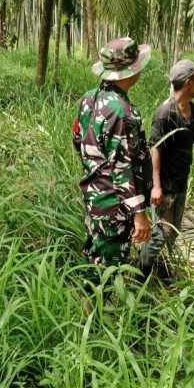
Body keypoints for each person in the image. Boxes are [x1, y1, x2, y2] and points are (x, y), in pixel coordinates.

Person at [73, 37, 153, 290]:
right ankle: (93, 320)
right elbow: (123, 167)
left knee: (95, 253)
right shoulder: (124, 112)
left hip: (95, 193)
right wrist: (139, 214)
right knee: (108, 266)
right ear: (133, 70)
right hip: (114, 203)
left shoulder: (89, 98)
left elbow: (78, 139)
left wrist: (95, 169)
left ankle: (86, 310)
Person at [139, 59, 194, 281]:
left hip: (181, 181)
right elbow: (155, 149)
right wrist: (157, 187)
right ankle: (140, 272)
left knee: (173, 231)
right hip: (165, 185)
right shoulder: (164, 113)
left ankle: (160, 269)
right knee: (160, 233)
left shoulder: (192, 111)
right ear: (189, 83)